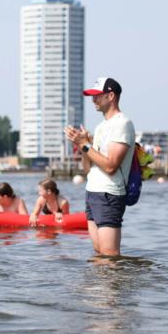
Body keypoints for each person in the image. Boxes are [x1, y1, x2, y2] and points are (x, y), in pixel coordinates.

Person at [65, 77, 136, 257]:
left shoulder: (122, 123)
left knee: (109, 255)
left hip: (109, 193)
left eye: (97, 95)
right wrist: (83, 146)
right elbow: (88, 168)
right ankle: (99, 286)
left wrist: (85, 145)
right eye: (92, 96)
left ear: (111, 96)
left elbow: (111, 165)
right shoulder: (101, 127)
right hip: (93, 191)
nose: (93, 100)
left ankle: (115, 285)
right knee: (99, 253)